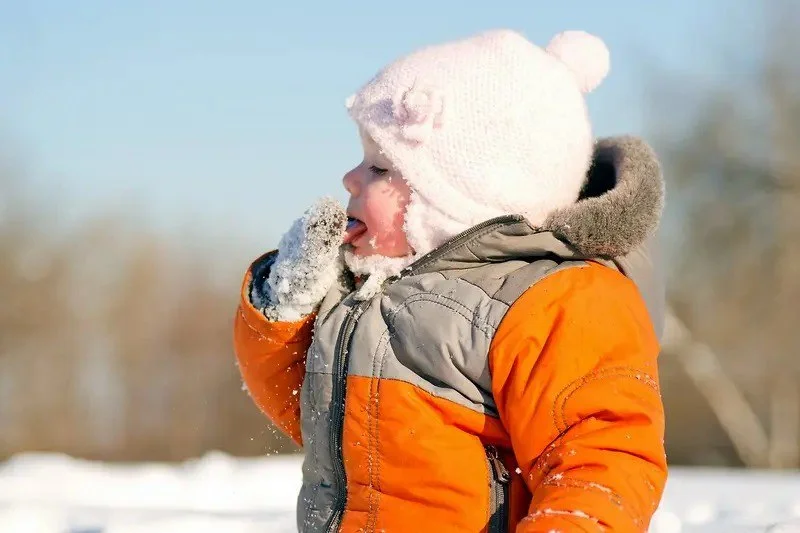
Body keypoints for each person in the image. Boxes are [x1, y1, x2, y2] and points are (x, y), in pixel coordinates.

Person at [233, 27, 667, 533]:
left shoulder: (550, 301)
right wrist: (286, 303)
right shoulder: (365, 298)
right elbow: (314, 413)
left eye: (379, 167)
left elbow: (602, 457)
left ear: (460, 199)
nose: (351, 178)